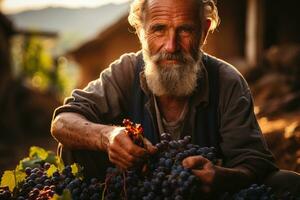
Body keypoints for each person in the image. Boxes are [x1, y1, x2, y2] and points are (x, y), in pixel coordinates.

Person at [51, 0, 300, 197]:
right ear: (141, 33)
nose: (171, 46)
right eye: (159, 29)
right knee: (75, 150)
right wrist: (107, 137)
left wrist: (224, 177)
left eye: (185, 30)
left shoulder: (227, 81)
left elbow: (254, 160)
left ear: (203, 32)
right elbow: (62, 121)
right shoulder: (125, 71)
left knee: (288, 183)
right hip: (134, 193)